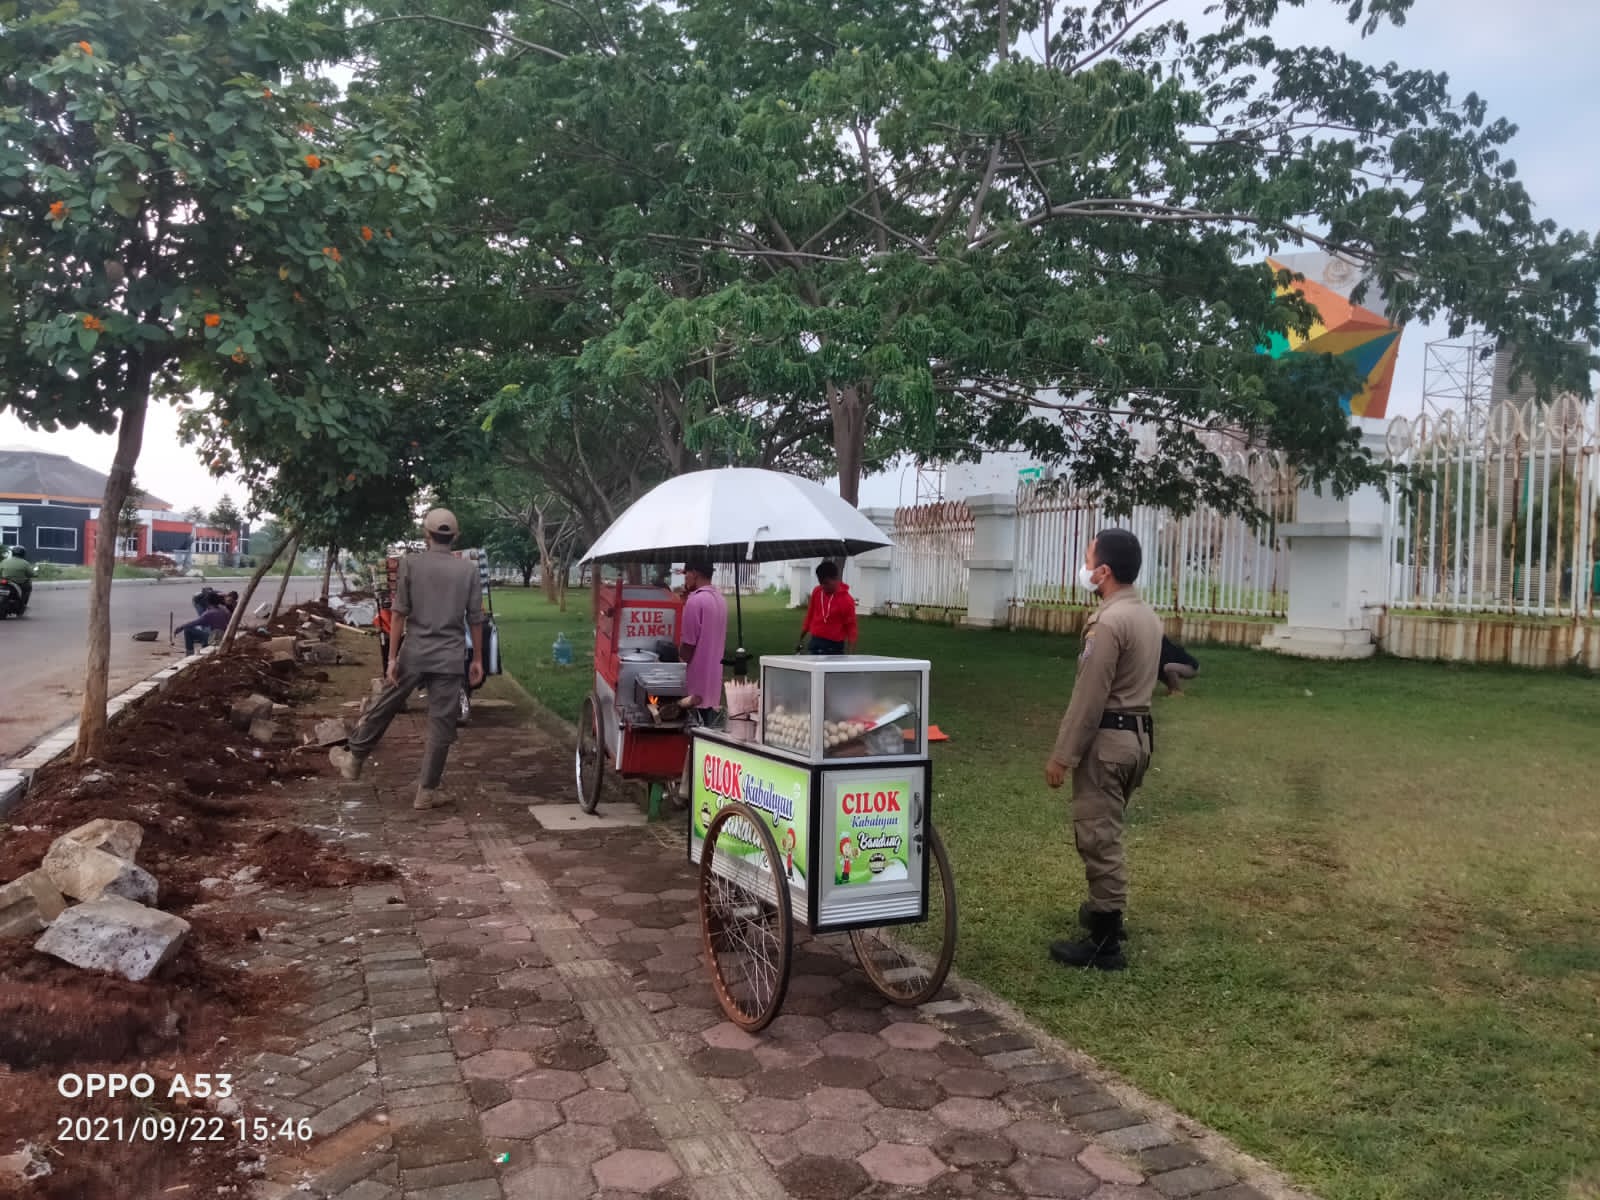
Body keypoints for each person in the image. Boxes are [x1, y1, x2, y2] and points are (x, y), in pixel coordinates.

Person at [1043, 528, 1163, 971]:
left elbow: (1089, 696)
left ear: (1105, 571)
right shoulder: (1145, 614)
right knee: (1106, 828)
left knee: (1098, 837)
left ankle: (1105, 941)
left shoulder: (1108, 622)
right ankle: (1101, 909)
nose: (1085, 567)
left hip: (1108, 744)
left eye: (1089, 559)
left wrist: (1062, 755)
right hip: (1137, 740)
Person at [330, 509, 484, 810]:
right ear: (455, 537)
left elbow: (398, 613)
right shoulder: (468, 570)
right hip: (450, 656)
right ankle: (427, 791)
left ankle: (355, 759)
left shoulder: (409, 564)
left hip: (414, 652)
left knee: (386, 704)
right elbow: (476, 619)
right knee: (442, 722)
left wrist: (391, 659)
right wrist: (477, 658)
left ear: (426, 535)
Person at [679, 557, 728, 726]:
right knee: (708, 729)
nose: (684, 578)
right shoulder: (720, 600)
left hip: (695, 681)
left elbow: (688, 644)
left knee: (692, 730)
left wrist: (676, 667)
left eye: (686, 573)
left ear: (695, 573)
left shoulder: (695, 601)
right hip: (714, 681)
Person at [796, 560, 858, 655]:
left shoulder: (847, 600)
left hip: (833, 647)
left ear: (836, 578)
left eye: (826, 583)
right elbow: (810, 615)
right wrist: (801, 638)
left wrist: (850, 656)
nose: (823, 587)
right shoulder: (817, 591)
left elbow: (851, 628)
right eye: (821, 583)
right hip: (815, 642)